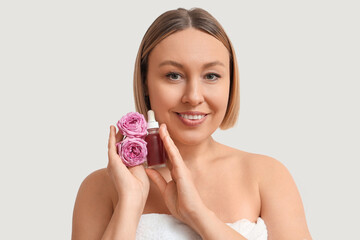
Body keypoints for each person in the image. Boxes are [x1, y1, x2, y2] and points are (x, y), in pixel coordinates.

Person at [71, 7, 312, 240]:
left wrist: (197, 213)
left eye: (211, 76)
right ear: (145, 82)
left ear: (231, 82)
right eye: (173, 75)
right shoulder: (101, 187)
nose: (194, 96)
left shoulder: (267, 176)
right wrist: (130, 203)